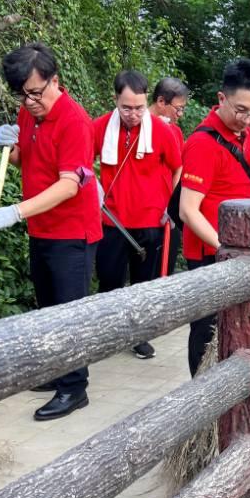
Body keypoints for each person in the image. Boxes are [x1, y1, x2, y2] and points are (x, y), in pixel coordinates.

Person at [0, 42, 101, 421]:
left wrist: (14, 212)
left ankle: (74, 387)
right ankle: (55, 372)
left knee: (69, 314)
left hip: (73, 234)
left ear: (54, 81)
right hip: (42, 229)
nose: (30, 101)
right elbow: (27, 161)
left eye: (35, 91)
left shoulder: (74, 121)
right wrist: (8, 148)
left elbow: (69, 184)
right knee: (47, 309)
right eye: (22, 94)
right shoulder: (29, 112)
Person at [179, 58, 250, 376]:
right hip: (211, 253)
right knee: (206, 332)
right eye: (241, 110)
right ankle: (202, 396)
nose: (248, 119)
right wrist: (224, 246)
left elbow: (247, 178)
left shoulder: (243, 136)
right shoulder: (202, 144)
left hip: (235, 251)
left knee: (234, 327)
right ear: (222, 98)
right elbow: (188, 210)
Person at [93, 70, 182, 360]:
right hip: (112, 220)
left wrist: (168, 206)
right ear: (115, 100)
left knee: (145, 284)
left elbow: (177, 167)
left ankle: (139, 336)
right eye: (126, 108)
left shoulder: (161, 129)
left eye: (139, 108)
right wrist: (94, 188)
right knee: (109, 281)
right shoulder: (100, 127)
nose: (133, 114)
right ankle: (109, 336)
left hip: (151, 221)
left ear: (147, 102)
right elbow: (82, 160)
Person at [149, 77, 190, 275]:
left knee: (163, 275)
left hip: (165, 215)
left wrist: (172, 204)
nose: (180, 114)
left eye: (183, 109)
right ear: (161, 102)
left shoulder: (174, 131)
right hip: (138, 217)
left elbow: (178, 168)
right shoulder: (134, 123)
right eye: (178, 108)